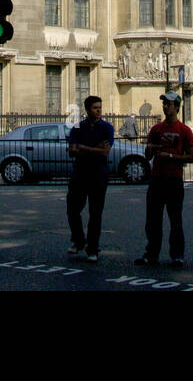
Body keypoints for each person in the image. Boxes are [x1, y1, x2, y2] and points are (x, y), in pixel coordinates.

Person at [136, 90, 193, 267]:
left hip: (174, 179)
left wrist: (170, 157)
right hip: (157, 178)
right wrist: (150, 149)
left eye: (168, 104)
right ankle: (151, 253)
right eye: (164, 104)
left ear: (176, 107)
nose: (165, 107)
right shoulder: (156, 129)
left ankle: (177, 254)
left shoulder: (184, 130)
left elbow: (191, 157)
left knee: (175, 219)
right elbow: (147, 155)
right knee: (153, 220)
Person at [66, 95, 114, 263]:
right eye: (95, 108)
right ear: (87, 110)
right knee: (72, 209)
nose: (99, 110)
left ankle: (92, 248)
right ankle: (78, 240)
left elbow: (105, 152)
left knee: (95, 213)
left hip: (98, 174)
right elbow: (71, 151)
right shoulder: (78, 128)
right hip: (80, 173)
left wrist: (82, 147)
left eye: (100, 107)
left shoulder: (107, 128)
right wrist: (94, 149)